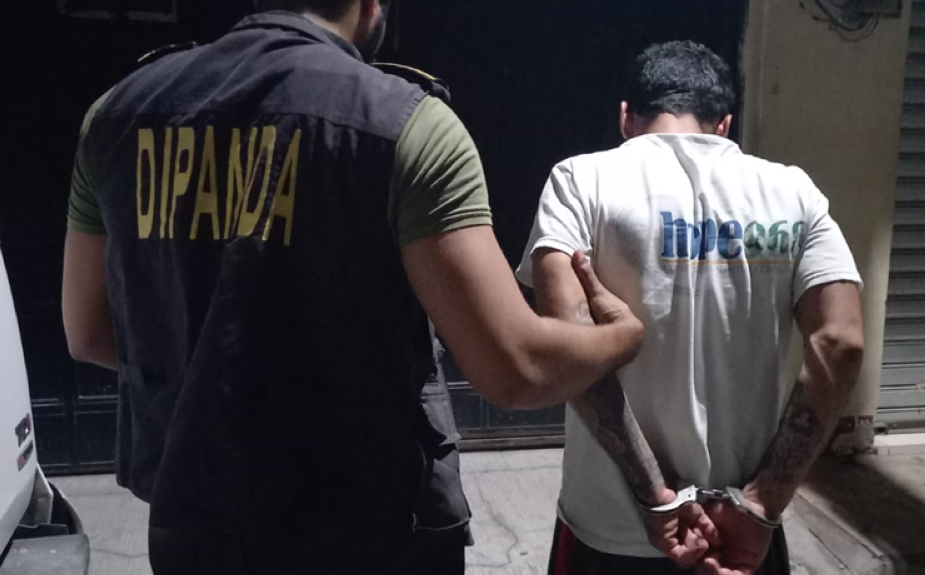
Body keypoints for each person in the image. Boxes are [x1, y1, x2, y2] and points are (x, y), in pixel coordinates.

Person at [60, 1, 644, 573]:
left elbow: (88, 333)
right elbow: (515, 368)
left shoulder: (116, 114)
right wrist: (622, 337)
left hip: (195, 520)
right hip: (365, 523)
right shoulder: (405, 122)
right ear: (370, 6)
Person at [516, 40, 865, 575]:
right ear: (724, 124)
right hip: (742, 533)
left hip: (613, 528)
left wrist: (655, 495)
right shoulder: (794, 192)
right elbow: (840, 343)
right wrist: (763, 502)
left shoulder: (581, 180)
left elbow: (567, 342)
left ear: (626, 117)